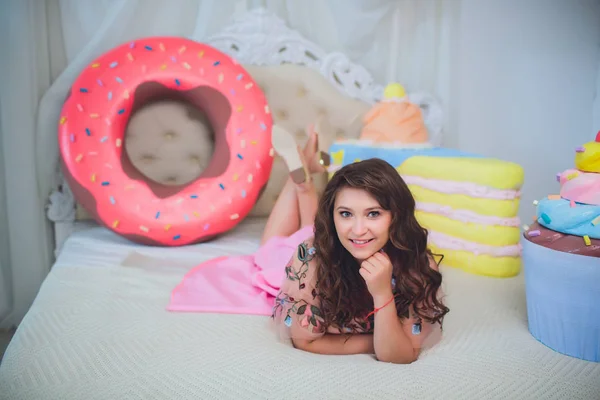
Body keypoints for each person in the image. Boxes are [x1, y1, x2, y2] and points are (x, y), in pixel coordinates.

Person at [267, 124, 449, 364]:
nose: (359, 229)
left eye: (373, 214)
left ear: (396, 215)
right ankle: (301, 183)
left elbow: (400, 355)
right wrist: (382, 338)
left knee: (307, 229)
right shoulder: (310, 259)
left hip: (330, 242)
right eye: (345, 214)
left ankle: (306, 178)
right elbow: (306, 341)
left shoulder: (417, 266)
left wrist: (382, 291)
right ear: (332, 216)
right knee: (271, 247)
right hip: (293, 261)